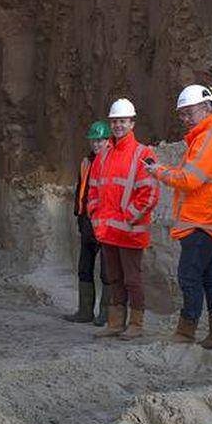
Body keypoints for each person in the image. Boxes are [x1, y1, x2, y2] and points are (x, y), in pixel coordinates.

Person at [147, 85, 212, 348]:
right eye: (182, 115)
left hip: (204, 221)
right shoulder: (205, 137)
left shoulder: (211, 138)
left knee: (189, 276)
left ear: (207, 108)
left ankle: (186, 332)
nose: (185, 120)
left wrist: (159, 171)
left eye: (189, 113)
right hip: (206, 220)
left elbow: (190, 179)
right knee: (209, 276)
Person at [87, 98, 159, 339]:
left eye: (122, 121)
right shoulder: (104, 155)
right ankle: (116, 323)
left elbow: (149, 194)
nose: (118, 125)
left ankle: (136, 325)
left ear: (132, 123)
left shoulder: (143, 154)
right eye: (115, 121)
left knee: (132, 280)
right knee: (114, 278)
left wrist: (129, 218)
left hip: (130, 231)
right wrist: (96, 217)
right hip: (108, 232)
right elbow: (93, 189)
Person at [63, 120, 111, 324]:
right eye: (93, 141)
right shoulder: (86, 162)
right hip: (88, 222)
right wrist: (79, 216)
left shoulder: (113, 161)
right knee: (85, 268)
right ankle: (85, 311)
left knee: (108, 272)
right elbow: (80, 191)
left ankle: (106, 314)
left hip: (107, 224)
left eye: (100, 141)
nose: (96, 145)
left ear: (108, 141)